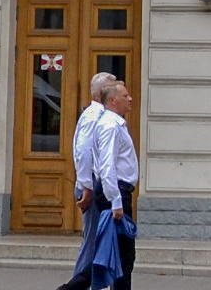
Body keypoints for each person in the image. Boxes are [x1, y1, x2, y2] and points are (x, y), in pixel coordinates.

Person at [59, 76, 137, 290]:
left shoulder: (111, 121)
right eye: (125, 95)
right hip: (113, 190)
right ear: (112, 99)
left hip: (112, 190)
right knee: (112, 254)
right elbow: (104, 164)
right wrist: (115, 201)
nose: (130, 99)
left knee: (114, 254)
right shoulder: (107, 123)